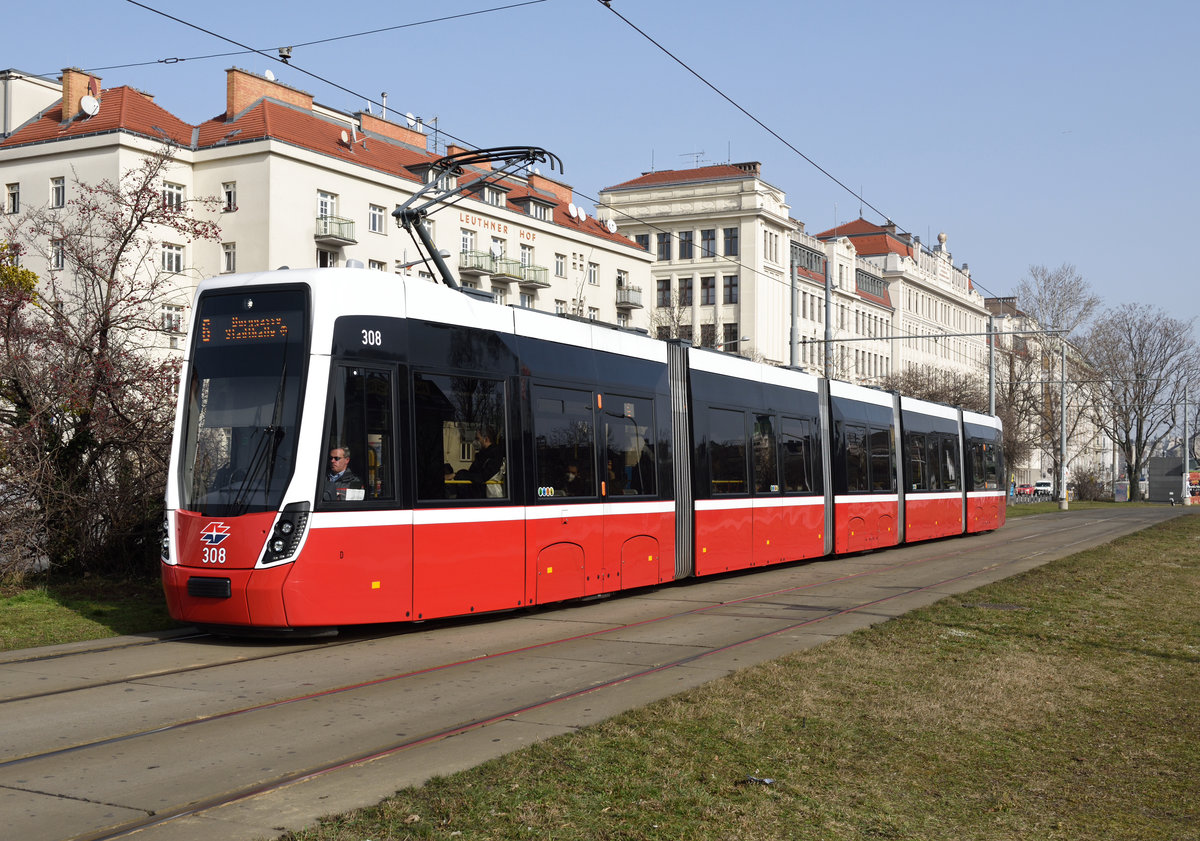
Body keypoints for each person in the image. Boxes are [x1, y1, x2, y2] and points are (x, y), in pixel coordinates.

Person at [455, 427, 505, 498]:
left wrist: (457, 475)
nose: (474, 442)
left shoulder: (494, 456)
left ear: (486, 439)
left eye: (477, 438)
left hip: (485, 498)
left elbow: (481, 477)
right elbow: (473, 474)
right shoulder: (483, 454)